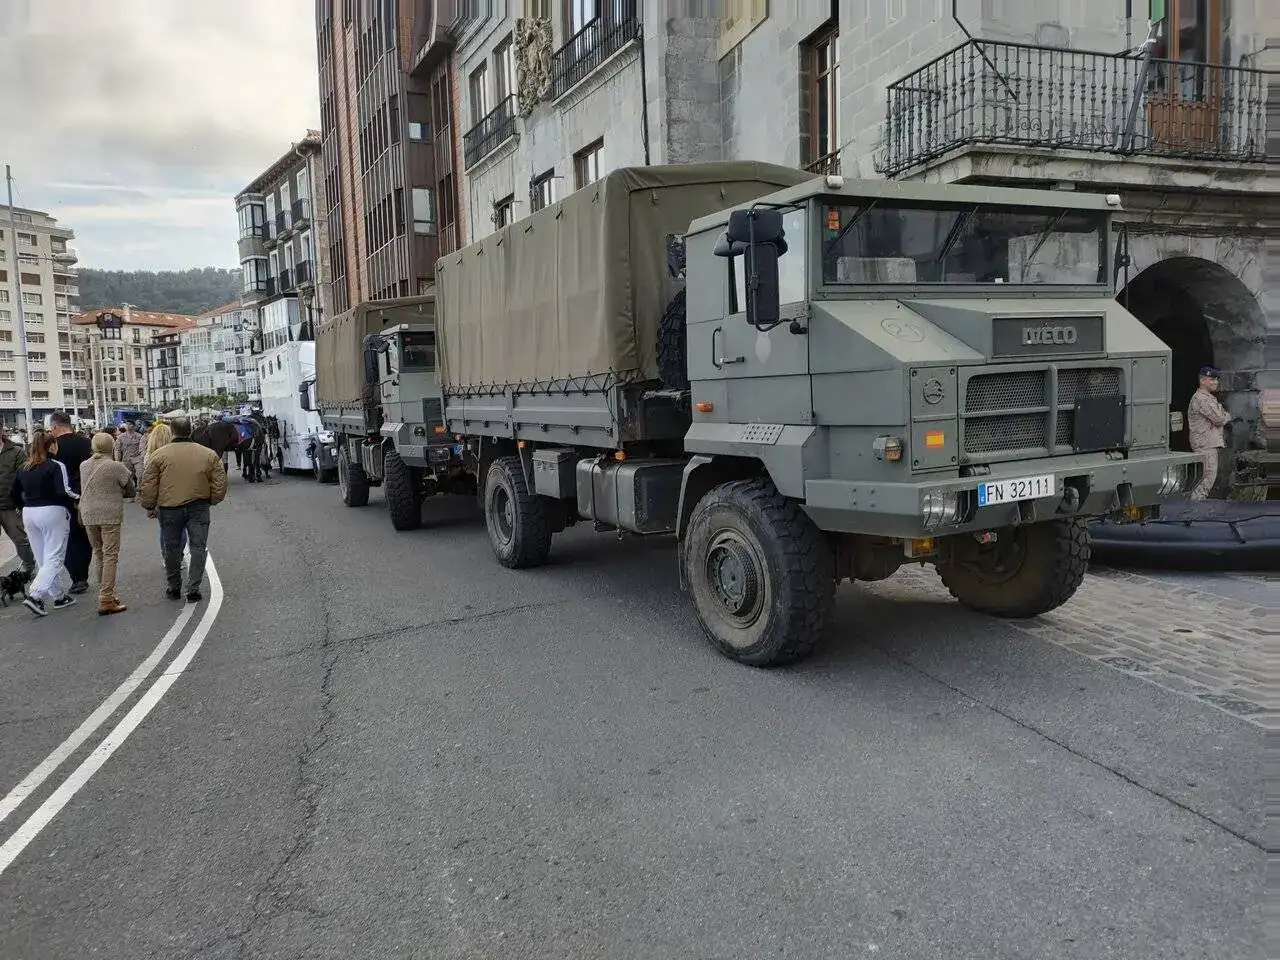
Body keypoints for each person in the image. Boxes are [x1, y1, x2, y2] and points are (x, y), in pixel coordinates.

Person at [139, 417, 227, 603]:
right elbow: (219, 481)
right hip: (198, 505)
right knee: (198, 547)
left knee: (171, 547)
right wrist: (213, 499)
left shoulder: (159, 455)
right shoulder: (208, 454)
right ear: (190, 431)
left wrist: (149, 505)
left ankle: (174, 586)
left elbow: (149, 483)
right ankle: (193, 588)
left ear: (172, 432)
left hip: (169, 508)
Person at [9, 433, 78, 616]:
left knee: (42, 557)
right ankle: (35, 595)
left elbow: (14, 493)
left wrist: (22, 506)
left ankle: (58, 596)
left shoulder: (24, 468)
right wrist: (74, 502)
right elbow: (63, 491)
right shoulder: (55, 466)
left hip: (29, 512)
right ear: (52, 446)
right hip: (52, 511)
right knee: (54, 556)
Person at [80, 432, 137, 616]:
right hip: (109, 515)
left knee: (99, 553)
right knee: (110, 555)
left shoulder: (83, 466)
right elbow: (131, 491)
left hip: (88, 514)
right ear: (111, 446)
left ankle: (106, 593)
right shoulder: (116, 466)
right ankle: (106, 599)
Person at [47, 411, 93, 594]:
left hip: (62, 498)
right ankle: (83, 575)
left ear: (55, 426)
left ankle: (77, 577)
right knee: (84, 537)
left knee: (66, 539)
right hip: (86, 494)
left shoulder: (53, 446)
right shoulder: (86, 442)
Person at [1188, 365, 1231, 501]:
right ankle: (1194, 509)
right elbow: (1220, 418)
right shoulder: (1202, 399)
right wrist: (1227, 416)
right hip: (1205, 445)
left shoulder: (1207, 398)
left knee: (1206, 480)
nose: (1215, 382)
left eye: (1216, 379)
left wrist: (1223, 415)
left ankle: (1194, 508)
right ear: (1202, 380)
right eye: (1212, 379)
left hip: (1206, 443)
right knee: (1206, 481)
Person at [0, 423, 36, 574]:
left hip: (10, 505)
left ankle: (29, 566)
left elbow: (25, 477)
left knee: (20, 539)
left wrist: (22, 502)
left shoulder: (16, 452)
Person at [114, 422, 145, 496]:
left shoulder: (139, 436)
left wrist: (143, 457)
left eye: (130, 424)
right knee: (128, 476)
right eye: (127, 424)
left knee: (140, 473)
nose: (128, 426)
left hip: (137, 457)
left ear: (133, 426)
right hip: (126, 458)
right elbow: (117, 449)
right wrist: (117, 460)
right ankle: (132, 491)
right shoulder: (121, 437)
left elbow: (142, 447)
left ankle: (139, 489)